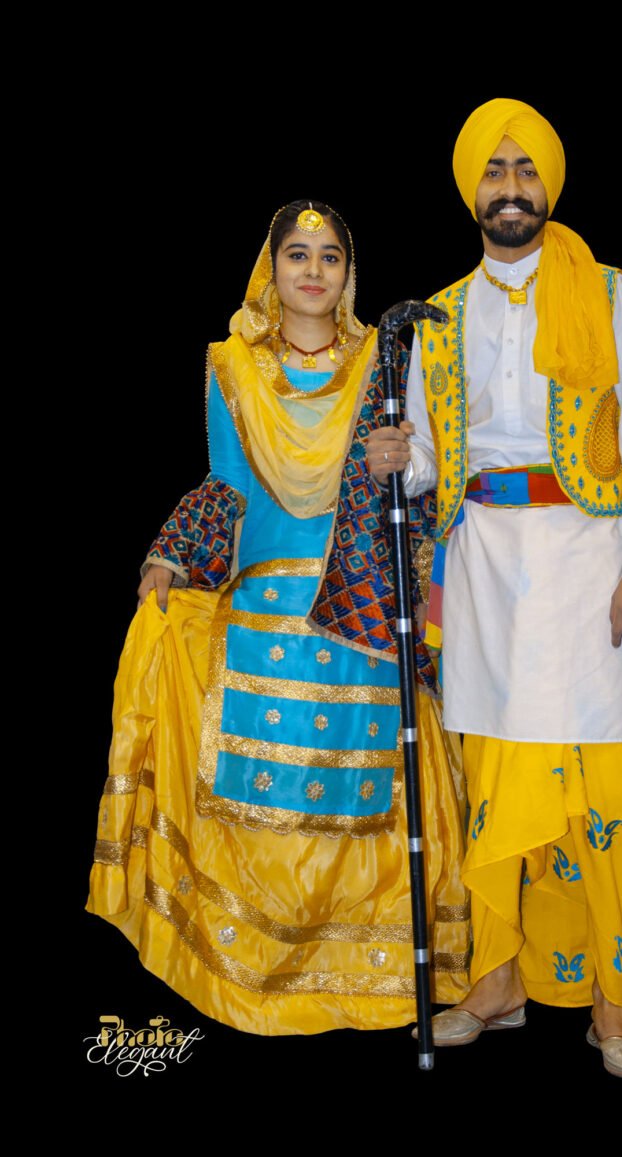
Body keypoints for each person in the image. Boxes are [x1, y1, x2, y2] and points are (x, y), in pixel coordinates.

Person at [87, 200, 470, 1035]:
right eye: (297, 254)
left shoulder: (386, 359)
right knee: (255, 790)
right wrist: (172, 550)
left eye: (330, 256)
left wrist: (402, 465)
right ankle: (253, 969)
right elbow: (227, 487)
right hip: (263, 609)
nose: (313, 270)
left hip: (360, 612)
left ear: (349, 274)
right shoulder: (231, 367)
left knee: (363, 791)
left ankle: (366, 976)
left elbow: (421, 490)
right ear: (272, 267)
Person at [367, 101, 622, 1077]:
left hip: (589, 562)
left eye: (526, 168)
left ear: (549, 185)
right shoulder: (442, 313)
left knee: (601, 784)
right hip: (484, 571)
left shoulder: (608, 289)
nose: (512, 184)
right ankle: (499, 978)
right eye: (494, 170)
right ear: (474, 191)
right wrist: (395, 455)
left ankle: (611, 1000)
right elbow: (425, 465)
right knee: (496, 776)